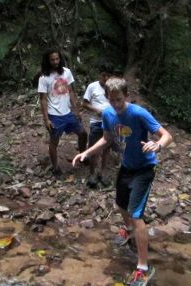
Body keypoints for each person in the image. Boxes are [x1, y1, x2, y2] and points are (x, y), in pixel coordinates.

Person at [72, 77, 173, 285]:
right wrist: (87, 153)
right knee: (120, 204)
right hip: (127, 166)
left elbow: (166, 135)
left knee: (136, 215)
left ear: (126, 96)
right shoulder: (108, 113)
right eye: (112, 100)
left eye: (119, 100)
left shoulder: (138, 113)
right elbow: (107, 139)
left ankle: (143, 268)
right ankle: (127, 231)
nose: (116, 105)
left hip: (145, 169)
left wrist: (158, 145)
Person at [38, 48, 87, 175]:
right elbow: (43, 99)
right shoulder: (44, 77)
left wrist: (76, 110)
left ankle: (82, 156)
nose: (55, 61)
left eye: (57, 59)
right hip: (54, 115)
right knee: (54, 141)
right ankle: (55, 167)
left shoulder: (66, 72)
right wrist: (46, 119)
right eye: (52, 59)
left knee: (82, 133)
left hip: (68, 112)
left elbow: (70, 91)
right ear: (48, 61)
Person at [82, 66, 113, 187]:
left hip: (110, 123)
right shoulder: (92, 86)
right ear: (99, 74)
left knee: (106, 149)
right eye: (103, 75)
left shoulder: (113, 87)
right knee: (95, 149)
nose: (106, 78)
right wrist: (97, 110)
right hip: (96, 122)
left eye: (108, 75)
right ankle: (92, 174)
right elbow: (84, 103)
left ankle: (102, 173)